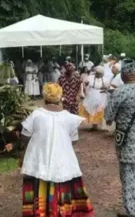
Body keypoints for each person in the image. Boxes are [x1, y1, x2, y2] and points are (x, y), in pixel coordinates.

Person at [19, 83, 94, 217]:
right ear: (60, 98)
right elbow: (74, 140)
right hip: (63, 161)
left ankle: (41, 213)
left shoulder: (37, 114)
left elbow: (25, 135)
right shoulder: (68, 117)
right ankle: (61, 212)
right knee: (62, 183)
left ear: (44, 97)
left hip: (39, 159)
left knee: (39, 184)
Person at [104, 59, 135, 217]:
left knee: (128, 175)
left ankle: (133, 212)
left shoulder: (120, 91)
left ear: (124, 74)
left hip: (130, 139)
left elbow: (108, 117)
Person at [79, 66, 109, 130]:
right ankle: (93, 124)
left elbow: (107, 87)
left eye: (100, 74)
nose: (98, 75)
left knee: (99, 109)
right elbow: (84, 84)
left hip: (101, 96)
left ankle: (97, 124)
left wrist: (105, 88)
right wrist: (86, 86)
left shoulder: (105, 79)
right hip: (91, 95)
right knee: (92, 109)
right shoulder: (90, 77)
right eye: (97, 73)